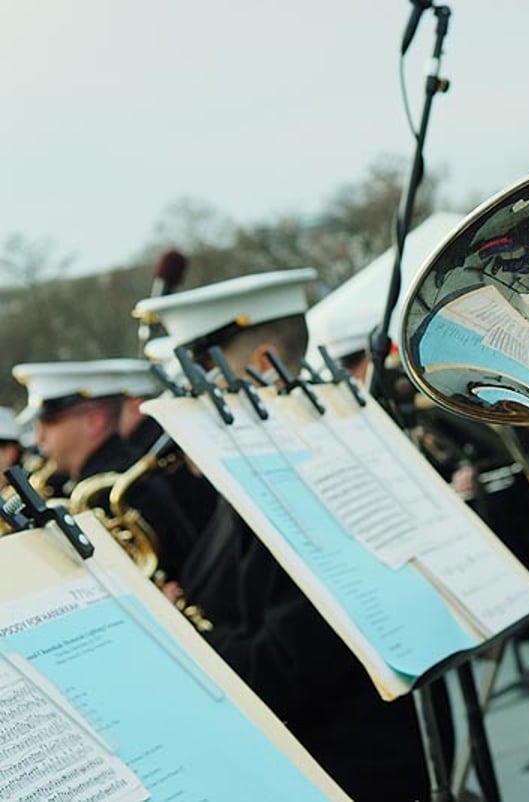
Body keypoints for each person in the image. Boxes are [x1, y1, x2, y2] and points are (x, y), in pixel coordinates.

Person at [134, 268, 432, 802]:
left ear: (265, 365)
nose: (181, 402)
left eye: (196, 378)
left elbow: (282, 670)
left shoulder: (314, 482)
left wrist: (182, 632)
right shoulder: (253, 476)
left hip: (349, 773)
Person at [10, 359, 199, 578]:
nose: (38, 437)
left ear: (94, 421)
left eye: (49, 423)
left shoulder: (125, 488)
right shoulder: (100, 475)